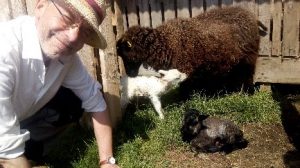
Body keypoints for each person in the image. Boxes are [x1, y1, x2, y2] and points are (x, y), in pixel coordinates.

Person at [0, 0, 120, 167]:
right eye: (68, 17)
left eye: (85, 31)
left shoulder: (66, 58)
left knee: (72, 101)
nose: (73, 38)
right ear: (40, 7)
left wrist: (107, 161)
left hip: (15, 118)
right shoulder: (5, 50)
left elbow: (95, 100)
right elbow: (8, 153)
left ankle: (30, 151)